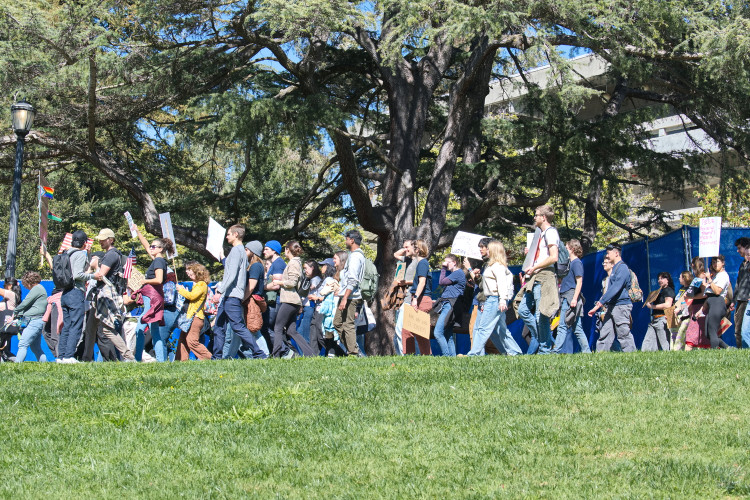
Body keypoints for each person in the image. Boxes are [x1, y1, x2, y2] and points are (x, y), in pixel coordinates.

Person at [211, 225, 267, 360]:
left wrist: (219, 291)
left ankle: (259, 353)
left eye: (228, 234)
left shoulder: (237, 251)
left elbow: (231, 274)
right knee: (219, 327)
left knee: (238, 327)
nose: (227, 237)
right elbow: (233, 269)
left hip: (232, 296)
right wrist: (223, 257)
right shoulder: (241, 251)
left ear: (236, 234)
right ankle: (216, 357)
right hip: (229, 296)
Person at [464, 241, 520, 356]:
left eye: (488, 249)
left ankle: (474, 354)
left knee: (483, 328)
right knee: (499, 330)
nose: (486, 250)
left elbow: (502, 284)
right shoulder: (493, 266)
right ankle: (514, 352)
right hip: (492, 299)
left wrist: (503, 300)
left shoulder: (498, 266)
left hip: (495, 299)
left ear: (494, 251)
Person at [519, 205, 560, 355]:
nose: (534, 217)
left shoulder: (551, 232)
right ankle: (544, 340)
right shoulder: (540, 234)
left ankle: (544, 349)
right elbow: (542, 256)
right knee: (522, 310)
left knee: (541, 315)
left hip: (544, 276)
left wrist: (535, 267)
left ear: (543, 217)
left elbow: (553, 257)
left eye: (536, 215)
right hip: (534, 276)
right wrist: (530, 255)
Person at [90, 228, 136, 361]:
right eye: (100, 240)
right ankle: (86, 357)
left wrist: (93, 268)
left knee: (107, 329)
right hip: (106, 294)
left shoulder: (111, 255)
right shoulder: (114, 254)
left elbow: (101, 275)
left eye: (103, 240)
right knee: (94, 328)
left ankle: (128, 356)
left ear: (111, 240)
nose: (101, 242)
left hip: (106, 294)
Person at [271, 241, 317, 358]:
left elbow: (292, 282)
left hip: (289, 300)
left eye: (285, 249)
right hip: (293, 301)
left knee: (278, 327)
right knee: (291, 331)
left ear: (287, 250)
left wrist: (279, 282)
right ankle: (310, 353)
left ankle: (276, 355)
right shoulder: (296, 263)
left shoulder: (293, 263)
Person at [588, 243, 636, 352]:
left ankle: (632, 356)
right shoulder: (615, 269)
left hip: (621, 306)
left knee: (623, 334)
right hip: (612, 306)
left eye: (609, 253)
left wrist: (600, 303)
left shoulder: (622, 268)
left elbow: (615, 288)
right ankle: (600, 356)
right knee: (605, 332)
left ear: (616, 253)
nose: (607, 255)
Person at [134, 228, 173, 362]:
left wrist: (144, 281)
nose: (150, 248)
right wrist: (138, 232)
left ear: (160, 249)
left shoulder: (158, 261)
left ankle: (137, 358)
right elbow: (146, 246)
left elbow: (159, 279)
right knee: (155, 331)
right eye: (151, 246)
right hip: (155, 297)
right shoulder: (158, 260)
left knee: (139, 328)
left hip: (152, 297)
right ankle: (161, 360)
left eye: (153, 247)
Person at [58, 230, 93, 364]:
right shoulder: (79, 254)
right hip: (76, 292)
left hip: (65, 292)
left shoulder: (66, 253)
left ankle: (61, 356)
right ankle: (69, 356)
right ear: (84, 243)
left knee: (66, 326)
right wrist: (93, 276)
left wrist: (88, 255)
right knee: (76, 325)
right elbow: (78, 274)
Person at [552, 239, 591, 354]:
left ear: (572, 249)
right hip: (567, 296)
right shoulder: (570, 263)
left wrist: (574, 299)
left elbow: (579, 282)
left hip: (570, 297)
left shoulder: (576, 263)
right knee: (577, 328)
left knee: (562, 326)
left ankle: (556, 351)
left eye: (567, 248)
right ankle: (587, 351)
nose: (565, 250)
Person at [334, 230, 366, 356]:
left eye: (347, 239)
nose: (345, 241)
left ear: (352, 240)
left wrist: (344, 298)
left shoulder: (356, 257)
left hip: (351, 296)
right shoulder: (352, 255)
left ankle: (353, 353)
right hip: (346, 295)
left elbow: (353, 279)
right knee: (337, 323)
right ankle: (353, 349)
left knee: (348, 324)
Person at [173, 261, 212, 361]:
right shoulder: (197, 285)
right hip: (190, 317)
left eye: (189, 270)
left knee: (192, 341)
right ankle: (180, 361)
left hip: (196, 318)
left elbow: (192, 296)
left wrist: (181, 290)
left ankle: (210, 359)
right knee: (182, 340)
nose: (187, 272)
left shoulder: (202, 284)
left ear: (197, 272)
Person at [402, 239, 432, 355]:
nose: (410, 249)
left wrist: (415, 298)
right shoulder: (421, 263)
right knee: (409, 330)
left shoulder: (423, 263)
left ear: (417, 250)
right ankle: (411, 356)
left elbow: (422, 282)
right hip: (419, 299)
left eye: (413, 247)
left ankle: (425, 356)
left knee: (419, 331)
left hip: (421, 300)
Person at [432, 254, 465, 356]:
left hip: (450, 305)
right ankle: (452, 359)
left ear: (454, 263)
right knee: (448, 334)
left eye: (447, 262)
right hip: (449, 304)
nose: (445, 264)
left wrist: (443, 268)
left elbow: (442, 282)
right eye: (445, 262)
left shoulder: (458, 273)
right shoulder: (455, 274)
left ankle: (446, 356)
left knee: (438, 332)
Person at [13, 272, 49, 362]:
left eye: (25, 284)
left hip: (34, 321)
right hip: (36, 320)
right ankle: (45, 365)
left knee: (22, 344)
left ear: (29, 282)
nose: (25, 287)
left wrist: (15, 311)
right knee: (35, 348)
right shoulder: (39, 288)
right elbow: (28, 306)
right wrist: (19, 314)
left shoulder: (37, 288)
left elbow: (25, 303)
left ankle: (17, 366)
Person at [701, 255, 731, 349]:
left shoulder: (723, 275)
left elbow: (717, 291)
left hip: (718, 303)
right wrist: (701, 310)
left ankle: (714, 352)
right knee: (708, 333)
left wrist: (710, 280)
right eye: (713, 262)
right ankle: (727, 348)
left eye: (717, 262)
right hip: (712, 304)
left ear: (723, 263)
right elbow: (709, 294)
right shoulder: (716, 276)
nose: (715, 264)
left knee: (712, 331)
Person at [641, 272, 675, 351]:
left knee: (665, 344)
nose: (659, 280)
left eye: (662, 278)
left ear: (667, 280)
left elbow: (668, 305)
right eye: (658, 279)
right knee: (648, 343)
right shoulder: (661, 291)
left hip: (662, 320)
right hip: (655, 320)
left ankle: (669, 356)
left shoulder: (668, 290)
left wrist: (652, 306)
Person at [392, 239, 415, 355]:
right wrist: (404, 249)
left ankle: (404, 355)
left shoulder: (418, 262)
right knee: (398, 331)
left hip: (410, 298)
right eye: (404, 247)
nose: (405, 249)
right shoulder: (406, 260)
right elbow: (395, 254)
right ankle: (402, 355)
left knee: (400, 329)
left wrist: (405, 282)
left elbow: (420, 281)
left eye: (407, 247)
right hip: (401, 298)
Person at [261, 240, 285, 350]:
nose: (264, 251)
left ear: (274, 251)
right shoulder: (274, 264)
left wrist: (262, 287)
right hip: (273, 300)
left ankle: (284, 351)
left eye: (266, 249)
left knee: (267, 327)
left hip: (276, 301)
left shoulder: (278, 263)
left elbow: (276, 285)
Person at [685, 257, 711, 350]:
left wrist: (690, 297)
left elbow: (705, 294)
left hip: (702, 307)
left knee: (693, 332)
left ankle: (687, 351)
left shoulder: (703, 277)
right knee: (700, 332)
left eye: (692, 265)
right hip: (696, 306)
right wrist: (691, 304)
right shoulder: (697, 277)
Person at [298, 260, 321, 344]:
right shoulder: (311, 279)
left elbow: (310, 288)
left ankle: (306, 349)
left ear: (312, 268)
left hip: (310, 307)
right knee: (300, 331)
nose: (305, 271)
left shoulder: (315, 279)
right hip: (306, 306)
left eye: (306, 268)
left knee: (304, 332)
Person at [733, 237, 750, 347]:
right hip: (740, 299)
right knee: (738, 329)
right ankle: (741, 351)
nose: (738, 250)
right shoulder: (742, 264)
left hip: (746, 301)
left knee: (743, 330)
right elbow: (738, 283)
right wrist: (733, 301)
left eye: (739, 248)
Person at [671, 271, 693, 350]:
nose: (679, 279)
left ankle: (678, 350)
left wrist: (679, 308)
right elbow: (678, 301)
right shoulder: (681, 289)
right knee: (674, 333)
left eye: (680, 277)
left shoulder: (690, 289)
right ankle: (673, 350)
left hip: (685, 314)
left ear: (684, 278)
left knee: (681, 333)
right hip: (677, 313)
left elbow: (687, 301)